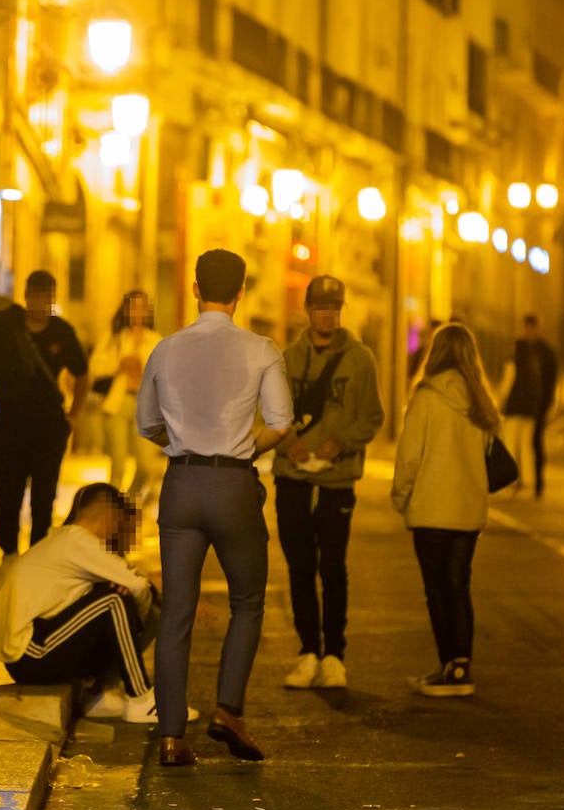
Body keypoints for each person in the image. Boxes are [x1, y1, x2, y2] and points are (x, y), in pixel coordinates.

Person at [136, 249, 294, 767]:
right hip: (232, 485)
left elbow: (146, 423)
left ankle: (170, 735)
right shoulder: (261, 349)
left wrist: (181, 440)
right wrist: (244, 447)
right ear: (241, 292)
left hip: (181, 485)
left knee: (177, 610)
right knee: (247, 600)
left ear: (194, 289)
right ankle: (228, 709)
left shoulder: (166, 349)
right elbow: (280, 422)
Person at [0, 484, 189, 723]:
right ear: (107, 518)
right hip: (30, 653)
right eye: (117, 523)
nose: (115, 533)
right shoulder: (78, 541)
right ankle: (141, 698)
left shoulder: (64, 539)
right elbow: (139, 585)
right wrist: (140, 616)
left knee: (110, 595)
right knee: (114, 600)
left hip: (31, 650)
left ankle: (99, 694)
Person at [272, 275, 384, 690]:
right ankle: (307, 652)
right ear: (307, 310)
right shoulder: (286, 359)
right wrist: (289, 445)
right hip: (293, 477)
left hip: (337, 478)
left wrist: (343, 443)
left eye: (335, 308)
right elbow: (271, 414)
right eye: (321, 307)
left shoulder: (361, 359)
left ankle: (335, 653)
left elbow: (372, 416)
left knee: (333, 566)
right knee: (300, 565)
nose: (328, 315)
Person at [391, 323, 503, 697]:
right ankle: (461, 668)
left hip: (430, 509)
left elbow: (409, 456)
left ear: (435, 353)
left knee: (437, 591)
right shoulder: (480, 402)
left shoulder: (425, 397)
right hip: (468, 511)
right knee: (459, 587)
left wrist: (401, 495)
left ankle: (446, 667)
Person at [0, 270, 89, 558]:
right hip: (8, 426)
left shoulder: (62, 332)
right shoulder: (6, 330)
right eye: (35, 294)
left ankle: (37, 555)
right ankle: (9, 554)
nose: (39, 301)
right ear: (26, 296)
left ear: (52, 299)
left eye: (45, 295)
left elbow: (82, 374)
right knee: (8, 494)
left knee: (44, 498)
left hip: (48, 429)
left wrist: (74, 415)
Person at [88, 290, 164, 502]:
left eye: (142, 307)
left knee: (145, 465)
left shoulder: (155, 340)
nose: (137, 312)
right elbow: (95, 365)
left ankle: (128, 500)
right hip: (118, 403)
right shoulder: (115, 337)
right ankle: (111, 510)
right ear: (126, 310)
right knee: (118, 462)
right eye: (133, 307)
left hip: (145, 406)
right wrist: (118, 364)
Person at [496, 314, 557, 498]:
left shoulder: (524, 351)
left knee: (522, 442)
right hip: (533, 406)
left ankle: (526, 481)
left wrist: (499, 401)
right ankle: (531, 482)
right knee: (529, 443)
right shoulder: (540, 352)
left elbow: (509, 379)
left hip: (527, 406)